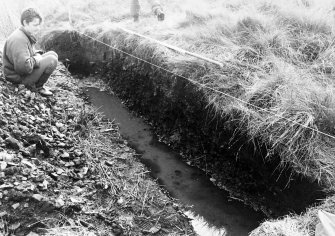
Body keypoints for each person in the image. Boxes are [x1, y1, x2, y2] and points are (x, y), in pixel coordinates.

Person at [2, 8, 58, 96]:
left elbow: (29, 54)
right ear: (25, 23)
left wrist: (36, 55)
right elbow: (23, 69)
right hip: (18, 78)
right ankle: (37, 87)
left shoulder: (24, 34)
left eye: (39, 25)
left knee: (53, 54)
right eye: (35, 25)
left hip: (19, 74)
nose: (38, 28)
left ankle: (37, 85)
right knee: (52, 59)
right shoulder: (19, 39)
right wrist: (36, 59)